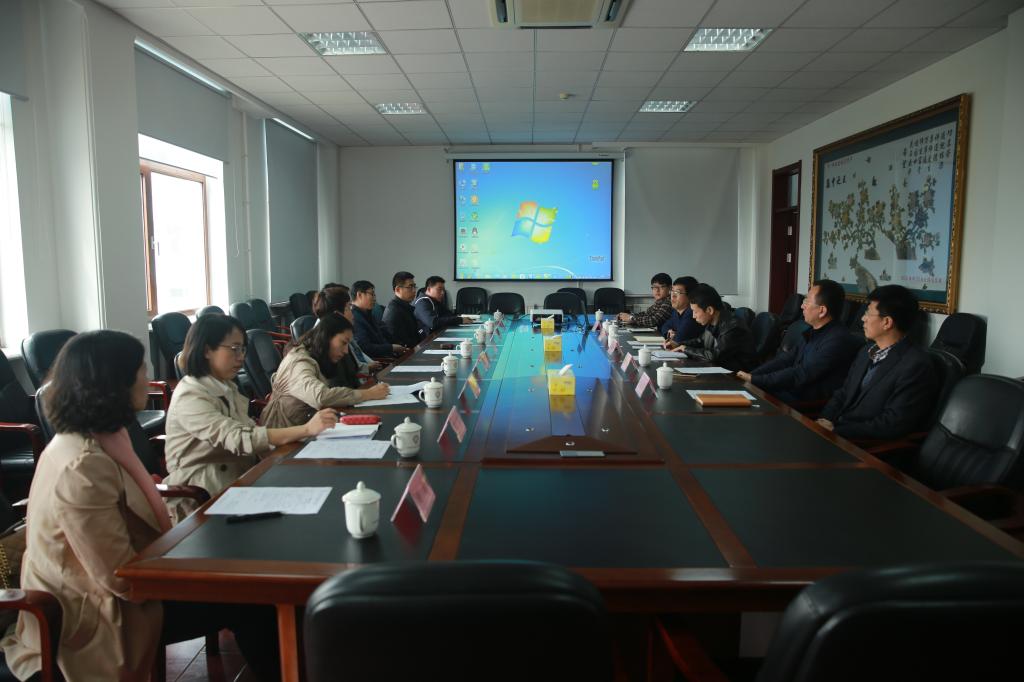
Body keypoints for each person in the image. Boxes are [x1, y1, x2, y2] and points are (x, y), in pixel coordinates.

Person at [1, 330, 281, 681]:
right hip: (92, 616)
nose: (147, 379)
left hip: (120, 586)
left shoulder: (102, 438)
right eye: (141, 370)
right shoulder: (82, 466)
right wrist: (196, 575)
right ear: (115, 383)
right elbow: (119, 577)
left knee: (247, 588)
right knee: (251, 599)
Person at [163, 315, 337, 521]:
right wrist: (306, 430)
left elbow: (250, 433)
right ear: (207, 350)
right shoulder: (190, 395)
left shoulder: (226, 386)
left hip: (239, 478)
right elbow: (238, 437)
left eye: (243, 349)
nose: (241, 357)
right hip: (202, 495)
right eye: (234, 349)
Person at [817, 285, 937, 441]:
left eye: (868, 313)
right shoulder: (866, 351)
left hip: (863, 445)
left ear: (887, 322)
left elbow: (891, 424)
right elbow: (843, 392)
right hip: (836, 433)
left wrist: (837, 431)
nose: (863, 318)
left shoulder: (915, 365)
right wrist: (824, 420)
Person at [737, 279, 861, 403]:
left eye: (807, 301)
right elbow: (785, 360)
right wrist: (751, 375)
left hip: (806, 402)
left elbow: (801, 374)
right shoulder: (813, 330)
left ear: (822, 311)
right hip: (791, 391)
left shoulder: (838, 340)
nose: (802, 306)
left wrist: (756, 380)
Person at [261, 314, 390, 428]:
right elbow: (320, 397)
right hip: (284, 433)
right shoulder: (299, 362)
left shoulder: (316, 355)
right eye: (343, 343)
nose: (346, 351)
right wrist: (368, 394)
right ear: (326, 337)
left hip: (307, 426)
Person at [673, 283, 758, 372]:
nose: (693, 316)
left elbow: (715, 356)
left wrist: (685, 349)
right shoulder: (713, 321)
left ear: (710, 310)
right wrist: (678, 344)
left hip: (737, 376)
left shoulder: (733, 327)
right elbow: (700, 341)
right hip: (720, 369)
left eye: (695, 312)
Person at [313, 285, 378, 377]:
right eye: (348, 308)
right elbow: (351, 374)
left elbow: (358, 353)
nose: (352, 314)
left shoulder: (341, 331)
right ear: (337, 314)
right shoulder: (329, 341)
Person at [351, 279, 406, 359]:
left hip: (387, 356)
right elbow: (365, 347)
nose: (374, 299)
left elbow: (382, 337)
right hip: (376, 361)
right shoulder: (354, 318)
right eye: (372, 294)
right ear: (359, 295)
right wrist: (391, 348)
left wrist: (395, 347)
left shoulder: (368, 314)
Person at [660, 276, 704, 348]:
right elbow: (665, 325)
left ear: (690, 296)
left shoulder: (692, 314)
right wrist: (669, 332)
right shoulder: (676, 311)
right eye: (672, 291)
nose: (673, 296)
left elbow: (678, 339)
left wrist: (674, 337)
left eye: (677, 292)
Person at [383, 271, 421, 348]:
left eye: (414, 287)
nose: (414, 290)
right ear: (397, 289)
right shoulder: (394, 311)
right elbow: (402, 343)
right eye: (410, 287)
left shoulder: (404, 307)